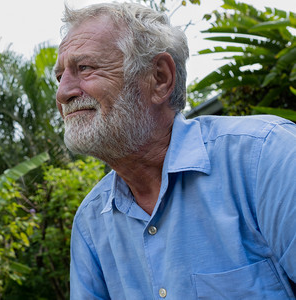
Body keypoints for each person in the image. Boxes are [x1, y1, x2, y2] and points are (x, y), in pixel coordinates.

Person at [54, 2, 296, 299]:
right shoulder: (92, 222)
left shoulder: (267, 157)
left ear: (159, 78)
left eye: (85, 68)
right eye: (59, 77)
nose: (63, 92)